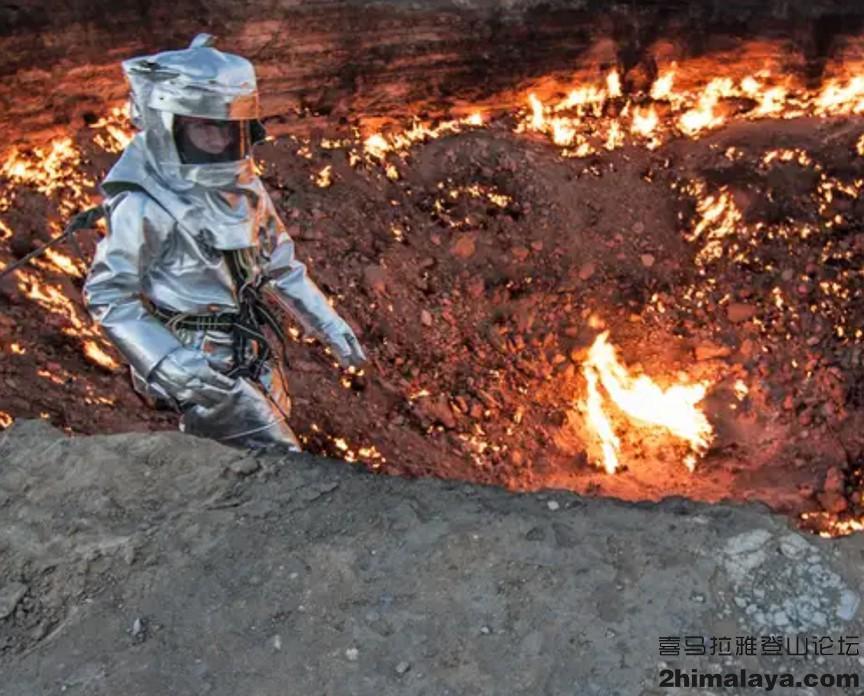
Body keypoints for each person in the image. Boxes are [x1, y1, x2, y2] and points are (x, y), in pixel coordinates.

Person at [83, 34, 367, 450]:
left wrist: (328, 324)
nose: (218, 141)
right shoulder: (144, 206)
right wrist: (166, 360)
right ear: (170, 125)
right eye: (204, 127)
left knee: (248, 459)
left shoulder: (246, 190)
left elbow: (280, 266)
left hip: (251, 350)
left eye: (227, 128)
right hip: (199, 363)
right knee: (278, 457)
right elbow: (108, 294)